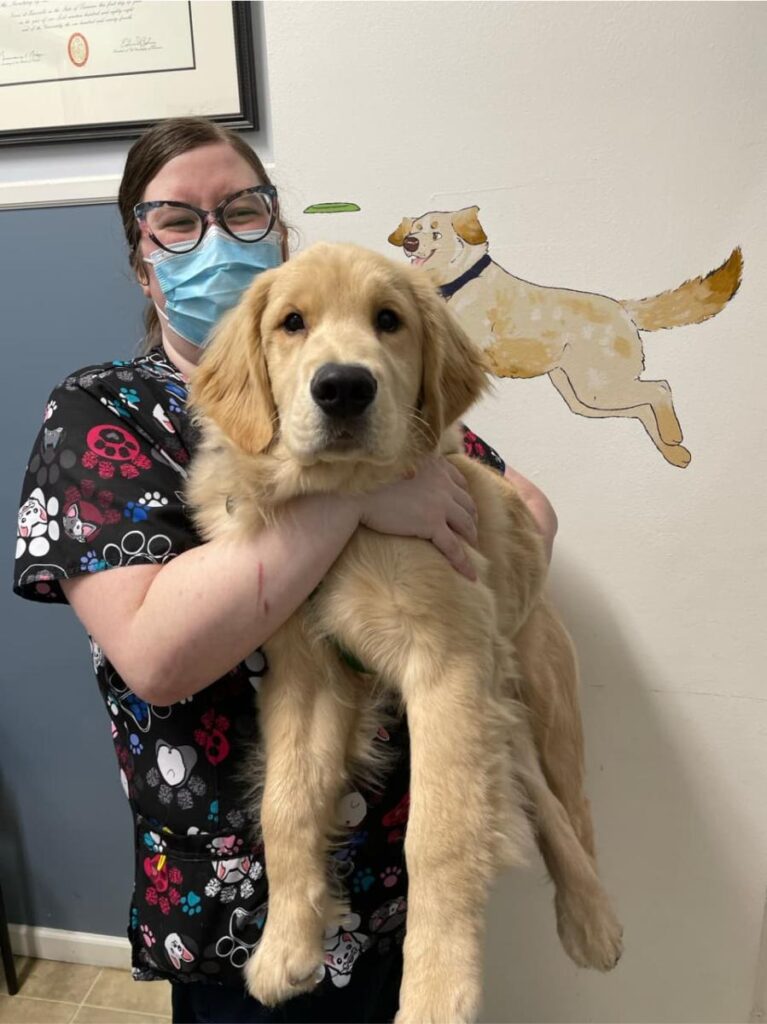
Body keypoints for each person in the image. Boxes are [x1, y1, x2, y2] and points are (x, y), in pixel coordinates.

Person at [13, 117, 558, 1024]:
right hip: (233, 896)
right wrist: (354, 500)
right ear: (142, 259)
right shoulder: (98, 411)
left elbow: (526, 513)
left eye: (241, 209)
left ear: (278, 228)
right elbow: (156, 655)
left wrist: (458, 553)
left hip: (394, 864)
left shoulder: (371, 378)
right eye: (176, 222)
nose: (214, 238)